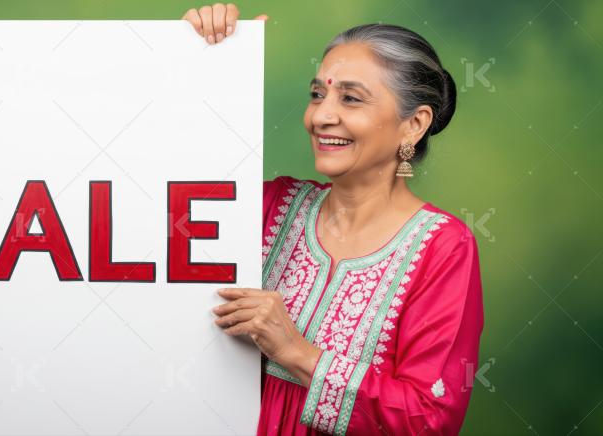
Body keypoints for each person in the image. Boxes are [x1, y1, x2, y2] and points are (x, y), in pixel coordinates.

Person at [183, 4, 485, 435]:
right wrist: (191, 60)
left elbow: (429, 417)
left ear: (413, 125)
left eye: (350, 98)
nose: (321, 116)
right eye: (317, 94)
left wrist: (296, 352)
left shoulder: (442, 246)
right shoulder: (273, 204)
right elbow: (166, 200)